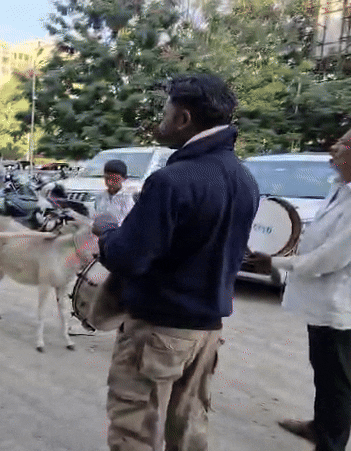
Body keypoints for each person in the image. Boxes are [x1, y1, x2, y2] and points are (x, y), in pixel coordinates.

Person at [92, 74, 259, 450]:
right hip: (206, 332)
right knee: (188, 427)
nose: (160, 119)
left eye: (165, 111)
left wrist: (107, 231)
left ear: (183, 119)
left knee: (134, 428)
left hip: (158, 328)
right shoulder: (243, 178)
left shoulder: (173, 180)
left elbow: (128, 258)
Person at [247, 121, 351, 451]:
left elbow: (331, 258)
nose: (333, 147)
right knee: (324, 371)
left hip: (341, 303)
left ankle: (331, 443)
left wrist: (276, 262)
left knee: (337, 380)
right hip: (324, 298)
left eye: (345, 144)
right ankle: (320, 426)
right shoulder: (344, 186)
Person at [93, 159, 134, 225]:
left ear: (124, 178)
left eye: (115, 179)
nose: (110, 182)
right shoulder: (100, 196)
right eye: (107, 178)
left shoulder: (128, 198)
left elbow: (128, 222)